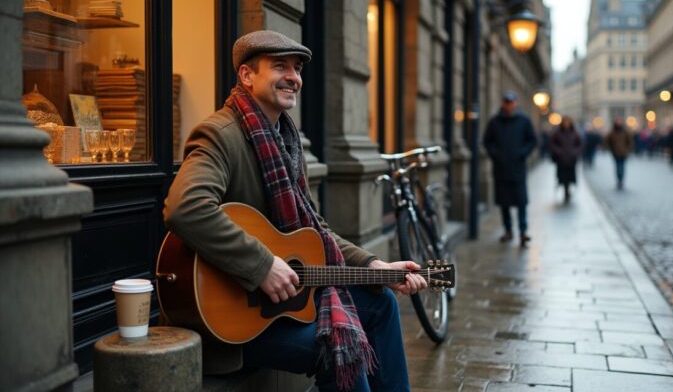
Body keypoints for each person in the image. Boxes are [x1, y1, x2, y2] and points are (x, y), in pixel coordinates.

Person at [163, 30, 427, 392]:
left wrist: (372, 266)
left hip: (277, 310)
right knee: (342, 347)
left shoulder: (285, 141)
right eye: (280, 66)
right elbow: (185, 207)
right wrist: (261, 266)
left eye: (297, 68)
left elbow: (314, 233)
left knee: (381, 304)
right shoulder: (219, 134)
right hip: (232, 320)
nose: (294, 77)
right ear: (246, 75)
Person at [483, 91, 537, 246]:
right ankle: (508, 230)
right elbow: (487, 142)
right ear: (503, 103)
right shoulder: (494, 122)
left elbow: (532, 140)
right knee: (504, 203)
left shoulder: (524, 121)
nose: (509, 104)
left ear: (516, 103)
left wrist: (522, 154)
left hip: (518, 169)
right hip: (500, 169)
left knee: (521, 202)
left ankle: (523, 232)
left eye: (512, 101)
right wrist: (495, 155)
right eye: (507, 101)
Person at [549, 116, 582, 202]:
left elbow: (580, 144)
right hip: (561, 159)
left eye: (568, 122)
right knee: (563, 176)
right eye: (565, 122)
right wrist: (558, 151)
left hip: (571, 159)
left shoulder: (575, 133)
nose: (566, 124)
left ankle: (568, 190)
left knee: (570, 176)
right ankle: (565, 190)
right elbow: (552, 143)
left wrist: (575, 152)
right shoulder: (557, 133)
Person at [606, 117, 633, 190]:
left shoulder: (625, 132)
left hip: (624, 153)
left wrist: (627, 150)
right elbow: (608, 142)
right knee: (618, 167)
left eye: (620, 121)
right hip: (615, 153)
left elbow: (630, 141)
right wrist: (611, 150)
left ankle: (621, 180)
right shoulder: (612, 132)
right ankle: (619, 180)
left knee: (622, 167)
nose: (619, 123)